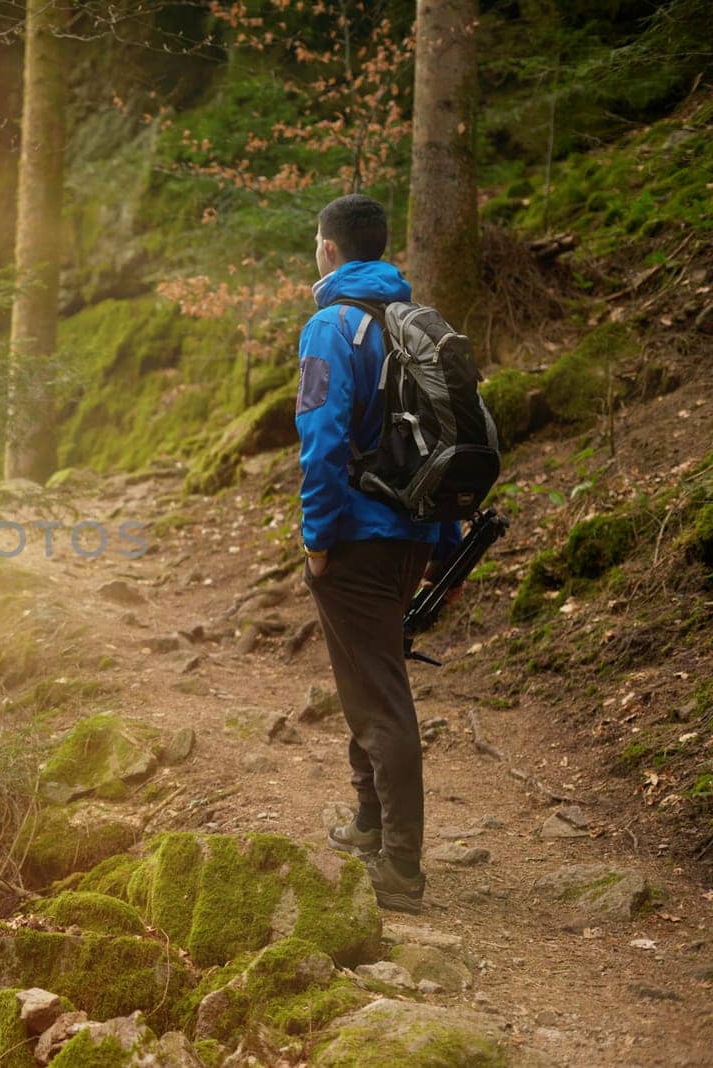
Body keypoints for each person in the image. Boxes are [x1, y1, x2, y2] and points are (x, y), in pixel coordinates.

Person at [295, 193, 460, 913]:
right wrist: (443, 546)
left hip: (357, 539)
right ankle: (368, 824)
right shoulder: (419, 325)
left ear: (329, 251)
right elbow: (448, 439)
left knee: (380, 697)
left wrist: (318, 539)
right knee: (369, 681)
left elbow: (322, 439)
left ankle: (401, 869)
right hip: (414, 535)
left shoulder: (330, 327)